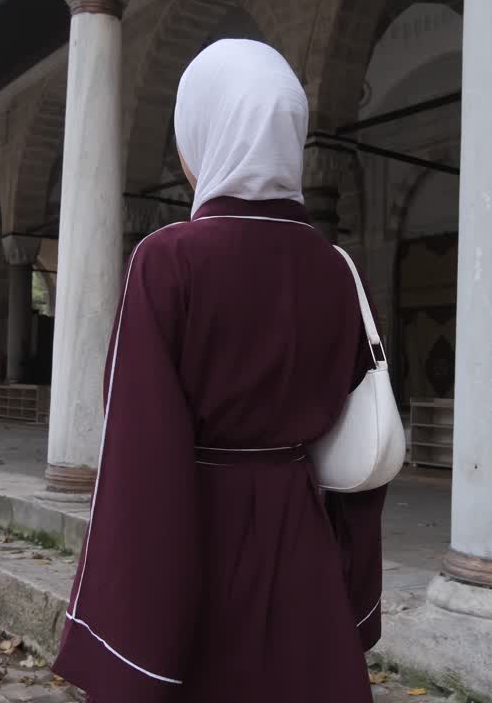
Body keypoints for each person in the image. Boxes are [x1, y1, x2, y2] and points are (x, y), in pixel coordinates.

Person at [50, 39, 387, 703]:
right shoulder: (338, 271)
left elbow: (139, 455)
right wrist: (354, 594)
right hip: (304, 545)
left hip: (199, 539)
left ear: (206, 131)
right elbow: (358, 455)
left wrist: (128, 646)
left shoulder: (167, 261)